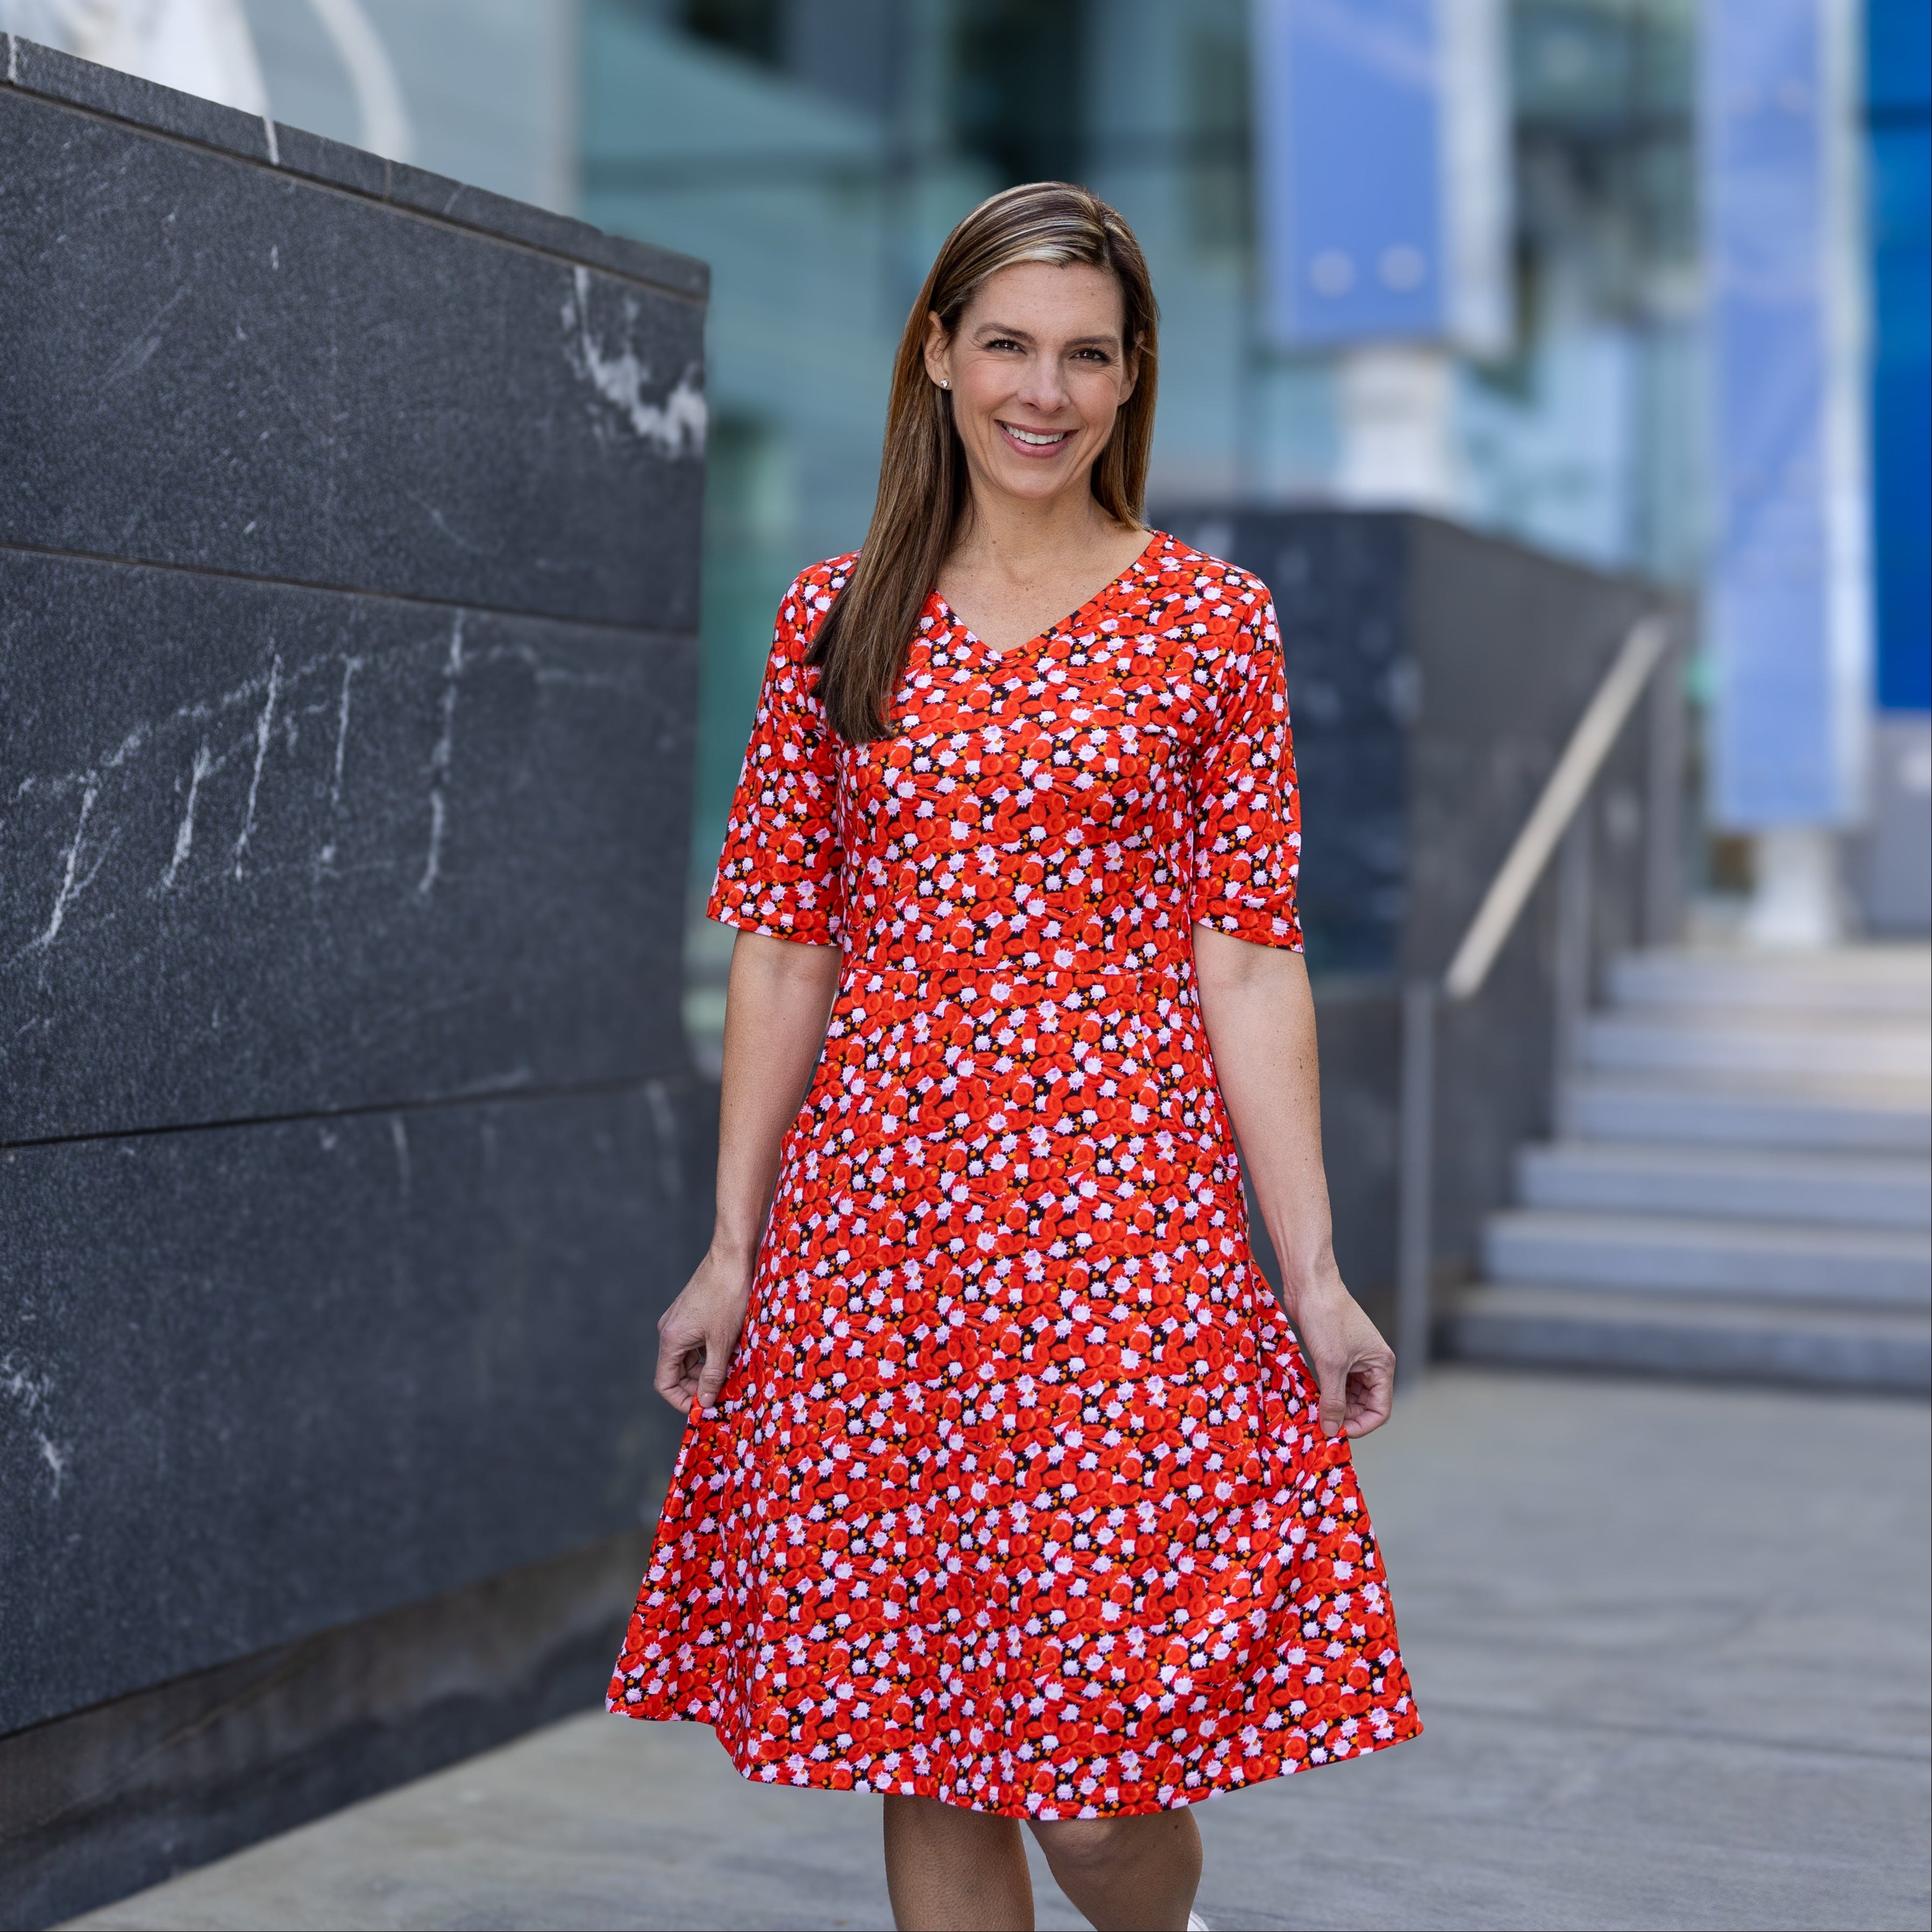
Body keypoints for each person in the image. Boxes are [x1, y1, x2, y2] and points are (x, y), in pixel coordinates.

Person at [609, 180, 1420, 1932]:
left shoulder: (1213, 622)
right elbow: (784, 937)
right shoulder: (837, 613)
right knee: (920, 1737)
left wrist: (1320, 1274)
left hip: (1127, 1236)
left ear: (1131, 385)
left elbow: (1249, 957)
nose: (1041, 392)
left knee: (1103, 1788)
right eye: (1007, 347)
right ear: (937, 354)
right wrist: (735, 1244)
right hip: (878, 1235)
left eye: (1085, 357)